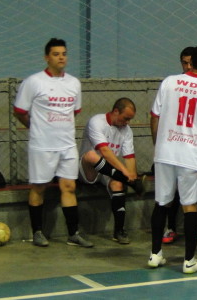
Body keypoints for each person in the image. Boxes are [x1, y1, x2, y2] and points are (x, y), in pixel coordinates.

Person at [13, 38, 93, 248]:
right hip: (42, 146)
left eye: (64, 54)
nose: (61, 58)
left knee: (69, 186)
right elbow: (20, 111)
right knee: (39, 187)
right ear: (47, 57)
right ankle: (38, 232)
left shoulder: (74, 83)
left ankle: (73, 233)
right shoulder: (34, 82)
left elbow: (74, 111)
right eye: (56, 54)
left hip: (67, 145)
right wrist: (37, 127)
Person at [148, 45, 197, 274]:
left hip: (165, 150)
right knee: (190, 206)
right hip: (190, 154)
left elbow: (154, 115)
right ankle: (189, 260)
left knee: (162, 202)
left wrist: (157, 144)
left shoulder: (169, 82)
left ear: (190, 62)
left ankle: (155, 254)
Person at [159, 46, 197, 245]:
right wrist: (159, 143)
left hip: (194, 149)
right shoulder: (172, 83)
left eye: (191, 62)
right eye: (184, 62)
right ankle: (170, 227)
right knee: (169, 193)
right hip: (172, 147)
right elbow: (157, 115)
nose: (188, 66)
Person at [78, 97, 145, 245]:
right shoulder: (96, 122)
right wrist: (124, 173)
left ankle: (119, 231)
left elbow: (129, 157)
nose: (127, 122)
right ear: (115, 111)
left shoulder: (127, 130)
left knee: (118, 184)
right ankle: (121, 177)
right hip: (88, 170)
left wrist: (133, 178)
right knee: (92, 155)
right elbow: (104, 151)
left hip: (109, 171)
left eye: (130, 119)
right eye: (125, 118)